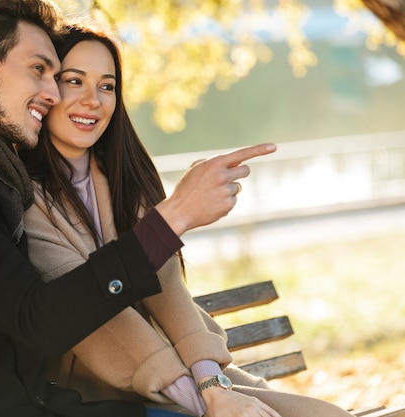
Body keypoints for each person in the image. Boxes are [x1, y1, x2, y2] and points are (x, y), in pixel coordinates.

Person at [0, 1, 275, 417]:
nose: (51, 93)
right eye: (38, 70)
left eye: (57, 77)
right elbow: (42, 320)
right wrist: (175, 216)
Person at [20, 22, 356, 417]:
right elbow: (99, 325)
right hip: (99, 398)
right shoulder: (26, 200)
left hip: (184, 375)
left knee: (325, 413)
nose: (93, 100)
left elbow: (167, 290)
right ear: (46, 90)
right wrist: (208, 402)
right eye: (74, 81)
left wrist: (215, 385)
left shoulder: (125, 182)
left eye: (107, 86)